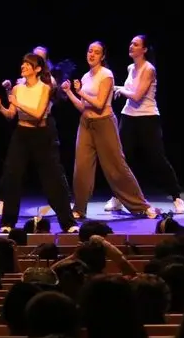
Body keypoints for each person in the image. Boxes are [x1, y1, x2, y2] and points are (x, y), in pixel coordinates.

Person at [62, 41, 156, 219]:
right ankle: (79, 208)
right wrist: (69, 92)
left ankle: (141, 205)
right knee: (81, 168)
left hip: (104, 123)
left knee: (116, 168)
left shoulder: (107, 75)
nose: (92, 55)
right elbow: (84, 107)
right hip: (85, 125)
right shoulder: (85, 77)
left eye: (96, 53)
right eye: (90, 51)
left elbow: (99, 104)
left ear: (102, 56)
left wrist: (80, 91)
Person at [0, 53, 79, 233]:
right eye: (22, 63)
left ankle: (68, 223)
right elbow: (11, 115)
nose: (23, 66)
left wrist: (17, 103)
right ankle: (7, 222)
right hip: (21, 134)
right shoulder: (17, 88)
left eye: (27, 64)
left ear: (37, 69)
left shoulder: (44, 88)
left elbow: (39, 113)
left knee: (53, 178)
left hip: (41, 134)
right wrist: (1, 106)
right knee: (12, 176)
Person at [112, 35, 184, 214]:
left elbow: (137, 96)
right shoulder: (131, 67)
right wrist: (119, 89)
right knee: (121, 159)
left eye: (136, 44)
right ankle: (117, 197)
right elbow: (131, 92)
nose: (131, 46)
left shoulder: (149, 69)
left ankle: (176, 197)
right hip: (128, 116)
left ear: (144, 49)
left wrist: (120, 89)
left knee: (157, 158)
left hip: (147, 117)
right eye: (130, 43)